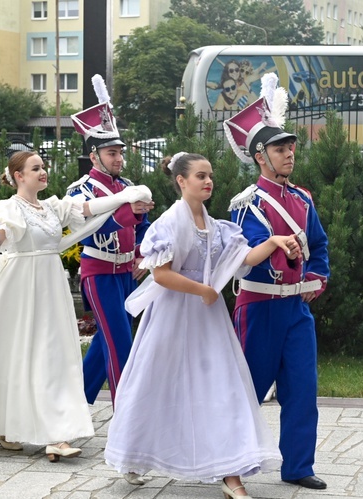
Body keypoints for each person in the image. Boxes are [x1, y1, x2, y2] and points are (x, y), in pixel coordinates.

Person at [106, 152, 294, 496]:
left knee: (222, 385)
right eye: (200, 176)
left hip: (207, 320)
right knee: (154, 383)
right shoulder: (167, 224)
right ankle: (134, 454)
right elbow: (161, 275)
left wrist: (272, 242)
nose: (208, 181)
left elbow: (243, 258)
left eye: (210, 176)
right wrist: (202, 290)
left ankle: (230, 471)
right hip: (172, 315)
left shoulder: (217, 227)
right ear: (181, 181)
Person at [0, 151, 152, 461]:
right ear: (18, 176)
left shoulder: (52, 208)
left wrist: (123, 196)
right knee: (11, 354)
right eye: (35, 168)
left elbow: (88, 208)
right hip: (18, 287)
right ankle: (4, 424)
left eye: (43, 167)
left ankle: (57, 435)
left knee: (53, 354)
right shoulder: (8, 208)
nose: (43, 172)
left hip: (49, 285)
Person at [224, 73, 330, 490]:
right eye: (279, 148)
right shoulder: (247, 203)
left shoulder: (302, 199)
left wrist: (316, 278)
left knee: (303, 390)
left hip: (296, 309)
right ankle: (230, 462)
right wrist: (275, 245)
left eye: (290, 147)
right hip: (260, 306)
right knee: (246, 390)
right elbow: (244, 257)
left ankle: (299, 466)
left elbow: (318, 246)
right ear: (259, 156)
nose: (289, 154)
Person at [67, 74, 154, 407]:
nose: (119, 158)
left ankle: (75, 404)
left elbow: (143, 228)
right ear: (94, 156)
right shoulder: (80, 191)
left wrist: (143, 257)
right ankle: (126, 414)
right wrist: (131, 212)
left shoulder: (127, 184)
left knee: (107, 341)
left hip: (127, 274)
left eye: (120, 152)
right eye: (111, 153)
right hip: (99, 273)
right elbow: (95, 231)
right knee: (120, 343)